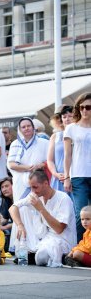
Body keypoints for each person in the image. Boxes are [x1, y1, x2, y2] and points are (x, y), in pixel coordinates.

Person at [9, 169, 77, 267]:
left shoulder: (63, 198)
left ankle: (62, 256)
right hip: (45, 237)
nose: (32, 191)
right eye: (31, 187)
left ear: (45, 183)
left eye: (35, 187)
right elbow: (12, 208)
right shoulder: (36, 195)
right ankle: (30, 251)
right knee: (22, 209)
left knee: (40, 258)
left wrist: (41, 209)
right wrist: (20, 225)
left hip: (62, 240)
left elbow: (59, 229)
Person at [64, 93, 91, 242]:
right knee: (80, 214)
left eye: (88, 107)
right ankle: (79, 246)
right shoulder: (71, 128)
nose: (84, 110)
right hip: (78, 175)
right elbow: (68, 155)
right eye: (81, 107)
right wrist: (67, 177)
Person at [8, 117, 49, 202]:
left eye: (28, 126)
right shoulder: (15, 144)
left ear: (33, 127)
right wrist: (29, 168)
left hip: (39, 180)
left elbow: (51, 160)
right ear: (19, 129)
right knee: (22, 208)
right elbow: (11, 165)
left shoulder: (44, 142)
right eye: (23, 127)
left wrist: (41, 165)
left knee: (41, 206)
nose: (26, 128)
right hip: (20, 181)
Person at [47, 105, 74, 193]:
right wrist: (56, 174)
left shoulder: (78, 134)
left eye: (70, 116)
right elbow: (50, 160)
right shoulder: (55, 136)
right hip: (59, 179)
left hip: (75, 177)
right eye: (64, 116)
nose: (67, 119)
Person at [0, 177, 13, 253]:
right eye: (2, 187)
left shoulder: (19, 198)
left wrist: (5, 227)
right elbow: (5, 219)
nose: (4, 189)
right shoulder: (6, 200)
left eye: (7, 186)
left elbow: (23, 222)